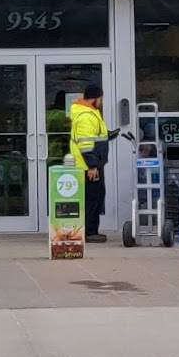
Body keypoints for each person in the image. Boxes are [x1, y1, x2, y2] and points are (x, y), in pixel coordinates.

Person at [68, 83, 110, 243]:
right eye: (100, 99)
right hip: (88, 167)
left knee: (95, 197)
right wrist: (92, 166)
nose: (101, 102)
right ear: (94, 99)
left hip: (91, 165)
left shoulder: (90, 113)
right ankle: (90, 232)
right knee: (92, 199)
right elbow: (85, 145)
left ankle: (91, 231)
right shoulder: (86, 116)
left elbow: (94, 136)